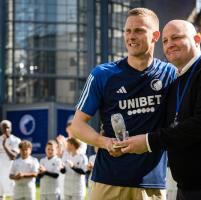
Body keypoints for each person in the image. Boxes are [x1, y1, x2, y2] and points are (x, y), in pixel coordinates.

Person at [119, 19, 201, 200]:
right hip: (188, 187)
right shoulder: (177, 80)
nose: (169, 45)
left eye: (176, 37)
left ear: (197, 40)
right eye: (165, 41)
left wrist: (149, 141)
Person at [70, 7, 177, 200]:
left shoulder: (170, 74)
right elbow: (77, 126)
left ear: (155, 36)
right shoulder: (102, 74)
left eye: (139, 31)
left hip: (151, 184)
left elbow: (197, 70)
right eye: (127, 31)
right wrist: (105, 143)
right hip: (108, 180)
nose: (131, 36)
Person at [0, 120, 21, 200]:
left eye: (8, 128)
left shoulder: (16, 140)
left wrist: (5, 146)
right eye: (4, 128)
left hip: (11, 173)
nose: (6, 130)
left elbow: (13, 157)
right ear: (1, 129)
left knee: (13, 196)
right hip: (0, 173)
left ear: (11, 128)